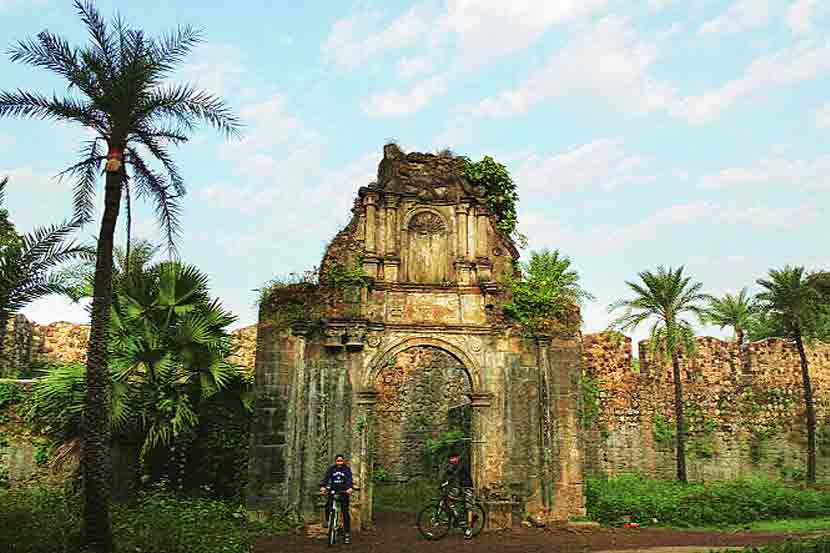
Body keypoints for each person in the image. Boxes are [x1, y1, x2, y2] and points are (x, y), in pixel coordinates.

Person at [320, 453, 353, 544]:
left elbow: (349, 479)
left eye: (341, 461)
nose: (339, 462)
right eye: (338, 461)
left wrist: (349, 488)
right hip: (333, 491)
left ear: (343, 461)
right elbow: (326, 478)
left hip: (343, 492)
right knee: (328, 506)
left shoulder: (346, 469)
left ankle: (346, 534)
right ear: (335, 461)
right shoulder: (331, 469)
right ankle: (328, 522)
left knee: (345, 512)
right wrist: (323, 486)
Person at [442, 451, 475, 539]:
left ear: (457, 458)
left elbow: (455, 474)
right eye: (450, 459)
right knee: (447, 497)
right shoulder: (454, 465)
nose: (451, 460)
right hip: (460, 487)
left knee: (469, 507)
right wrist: (443, 482)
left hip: (468, 487)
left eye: (453, 458)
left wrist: (447, 482)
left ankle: (469, 529)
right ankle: (456, 515)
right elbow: (449, 473)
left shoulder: (461, 464)